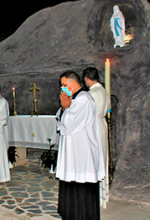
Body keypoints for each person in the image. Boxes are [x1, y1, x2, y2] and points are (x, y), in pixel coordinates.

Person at [56, 71, 105, 220]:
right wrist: (64, 109)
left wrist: (65, 108)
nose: (62, 88)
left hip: (81, 151)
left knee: (80, 183)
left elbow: (69, 124)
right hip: (72, 150)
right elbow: (59, 118)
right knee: (71, 181)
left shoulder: (84, 99)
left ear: (73, 83)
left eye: (64, 85)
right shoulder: (74, 98)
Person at [82, 67, 111, 208]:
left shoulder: (92, 94)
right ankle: (101, 194)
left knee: (94, 160)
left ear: (86, 79)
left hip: (93, 127)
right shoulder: (103, 91)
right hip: (101, 125)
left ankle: (93, 195)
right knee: (101, 159)